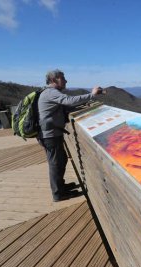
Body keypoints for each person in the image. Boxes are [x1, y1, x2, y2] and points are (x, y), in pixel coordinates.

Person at [38, 69, 104, 202]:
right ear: (54, 80)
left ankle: (61, 187)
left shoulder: (50, 93)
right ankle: (58, 194)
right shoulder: (51, 92)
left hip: (51, 133)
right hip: (49, 135)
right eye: (63, 78)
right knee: (55, 163)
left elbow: (65, 106)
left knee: (61, 160)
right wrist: (91, 95)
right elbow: (69, 101)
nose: (66, 81)